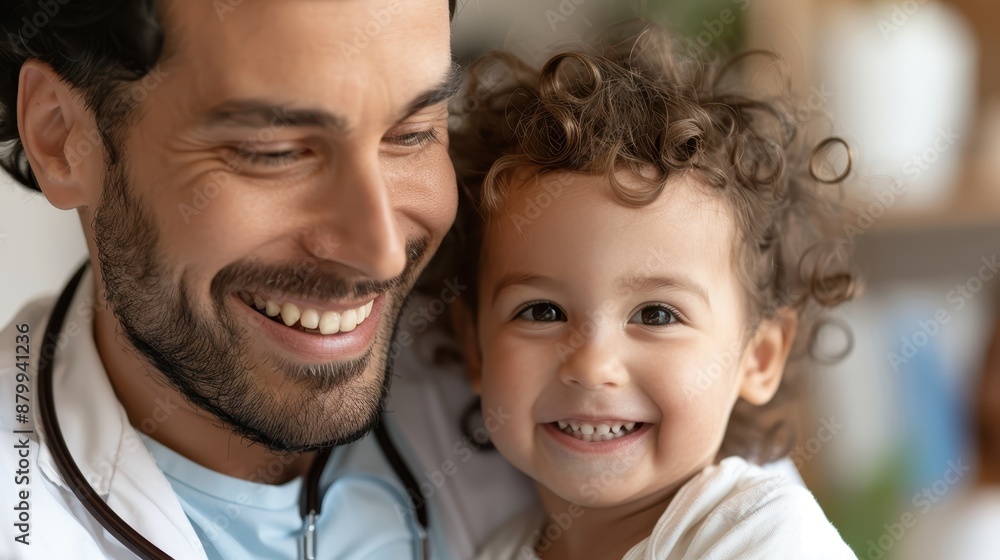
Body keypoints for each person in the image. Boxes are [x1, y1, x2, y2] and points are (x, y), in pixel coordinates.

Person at [0, 0, 533, 558]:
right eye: (275, 153)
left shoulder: (538, 384)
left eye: (411, 133)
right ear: (60, 137)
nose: (382, 256)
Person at [444, 23, 860, 559]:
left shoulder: (761, 534)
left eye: (657, 315)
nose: (592, 365)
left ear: (758, 355)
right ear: (475, 348)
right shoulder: (491, 550)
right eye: (542, 310)